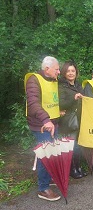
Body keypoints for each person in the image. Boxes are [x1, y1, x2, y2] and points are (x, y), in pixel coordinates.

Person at [24, 56, 61, 201]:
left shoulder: (53, 80)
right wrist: (46, 120)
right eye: (57, 69)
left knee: (51, 153)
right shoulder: (34, 80)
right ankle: (43, 188)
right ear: (47, 69)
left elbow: (52, 99)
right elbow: (33, 103)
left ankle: (48, 179)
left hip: (53, 123)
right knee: (45, 154)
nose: (59, 72)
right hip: (41, 125)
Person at [58, 61, 86, 179]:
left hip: (80, 119)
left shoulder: (79, 86)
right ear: (64, 73)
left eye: (73, 71)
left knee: (78, 145)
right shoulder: (61, 86)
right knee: (71, 145)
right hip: (69, 121)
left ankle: (78, 166)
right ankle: (71, 169)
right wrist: (74, 98)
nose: (70, 73)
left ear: (76, 72)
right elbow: (60, 104)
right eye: (68, 71)